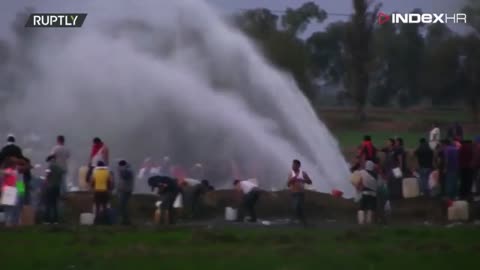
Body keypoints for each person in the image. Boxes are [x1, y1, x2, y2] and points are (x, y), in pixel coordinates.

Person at [287, 159, 312, 225]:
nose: (293, 166)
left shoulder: (303, 173)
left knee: (297, 206)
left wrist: (303, 180)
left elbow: (310, 182)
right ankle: (304, 222)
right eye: (292, 164)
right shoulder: (291, 173)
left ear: (298, 166)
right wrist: (291, 180)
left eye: (294, 165)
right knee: (297, 208)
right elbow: (288, 184)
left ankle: (293, 221)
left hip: (300, 193)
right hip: (293, 193)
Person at [43, 155, 64, 224]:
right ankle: (55, 220)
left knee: (48, 204)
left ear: (51, 160)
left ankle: (47, 220)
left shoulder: (49, 166)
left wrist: (45, 184)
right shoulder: (59, 167)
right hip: (57, 187)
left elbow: (47, 175)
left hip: (50, 187)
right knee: (55, 204)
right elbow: (62, 175)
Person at [357, 161, 378, 225]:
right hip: (373, 194)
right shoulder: (375, 174)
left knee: (361, 208)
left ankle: (361, 222)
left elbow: (358, 181)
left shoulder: (362, 172)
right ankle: (369, 222)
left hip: (365, 193)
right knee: (370, 208)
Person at [1, 158, 20, 227]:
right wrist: (21, 191)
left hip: (8, 189)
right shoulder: (14, 172)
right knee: (10, 208)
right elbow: (18, 181)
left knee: (8, 208)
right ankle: (9, 222)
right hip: (11, 190)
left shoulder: (9, 171)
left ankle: (8, 222)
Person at [117, 160, 134, 225]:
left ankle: (126, 221)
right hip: (123, 190)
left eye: (119, 166)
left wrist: (120, 170)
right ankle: (125, 220)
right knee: (122, 206)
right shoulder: (125, 170)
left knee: (122, 206)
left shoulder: (128, 171)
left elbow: (124, 176)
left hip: (126, 191)